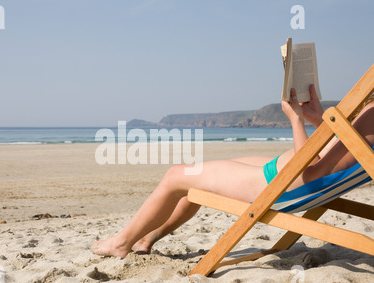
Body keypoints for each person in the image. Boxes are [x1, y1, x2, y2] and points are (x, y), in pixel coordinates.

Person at [91, 85, 374, 258]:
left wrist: (296, 120)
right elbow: (338, 155)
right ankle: (146, 237)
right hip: (287, 172)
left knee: (177, 175)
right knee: (197, 175)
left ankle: (120, 243)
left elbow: (309, 169)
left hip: (286, 185)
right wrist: (315, 119)